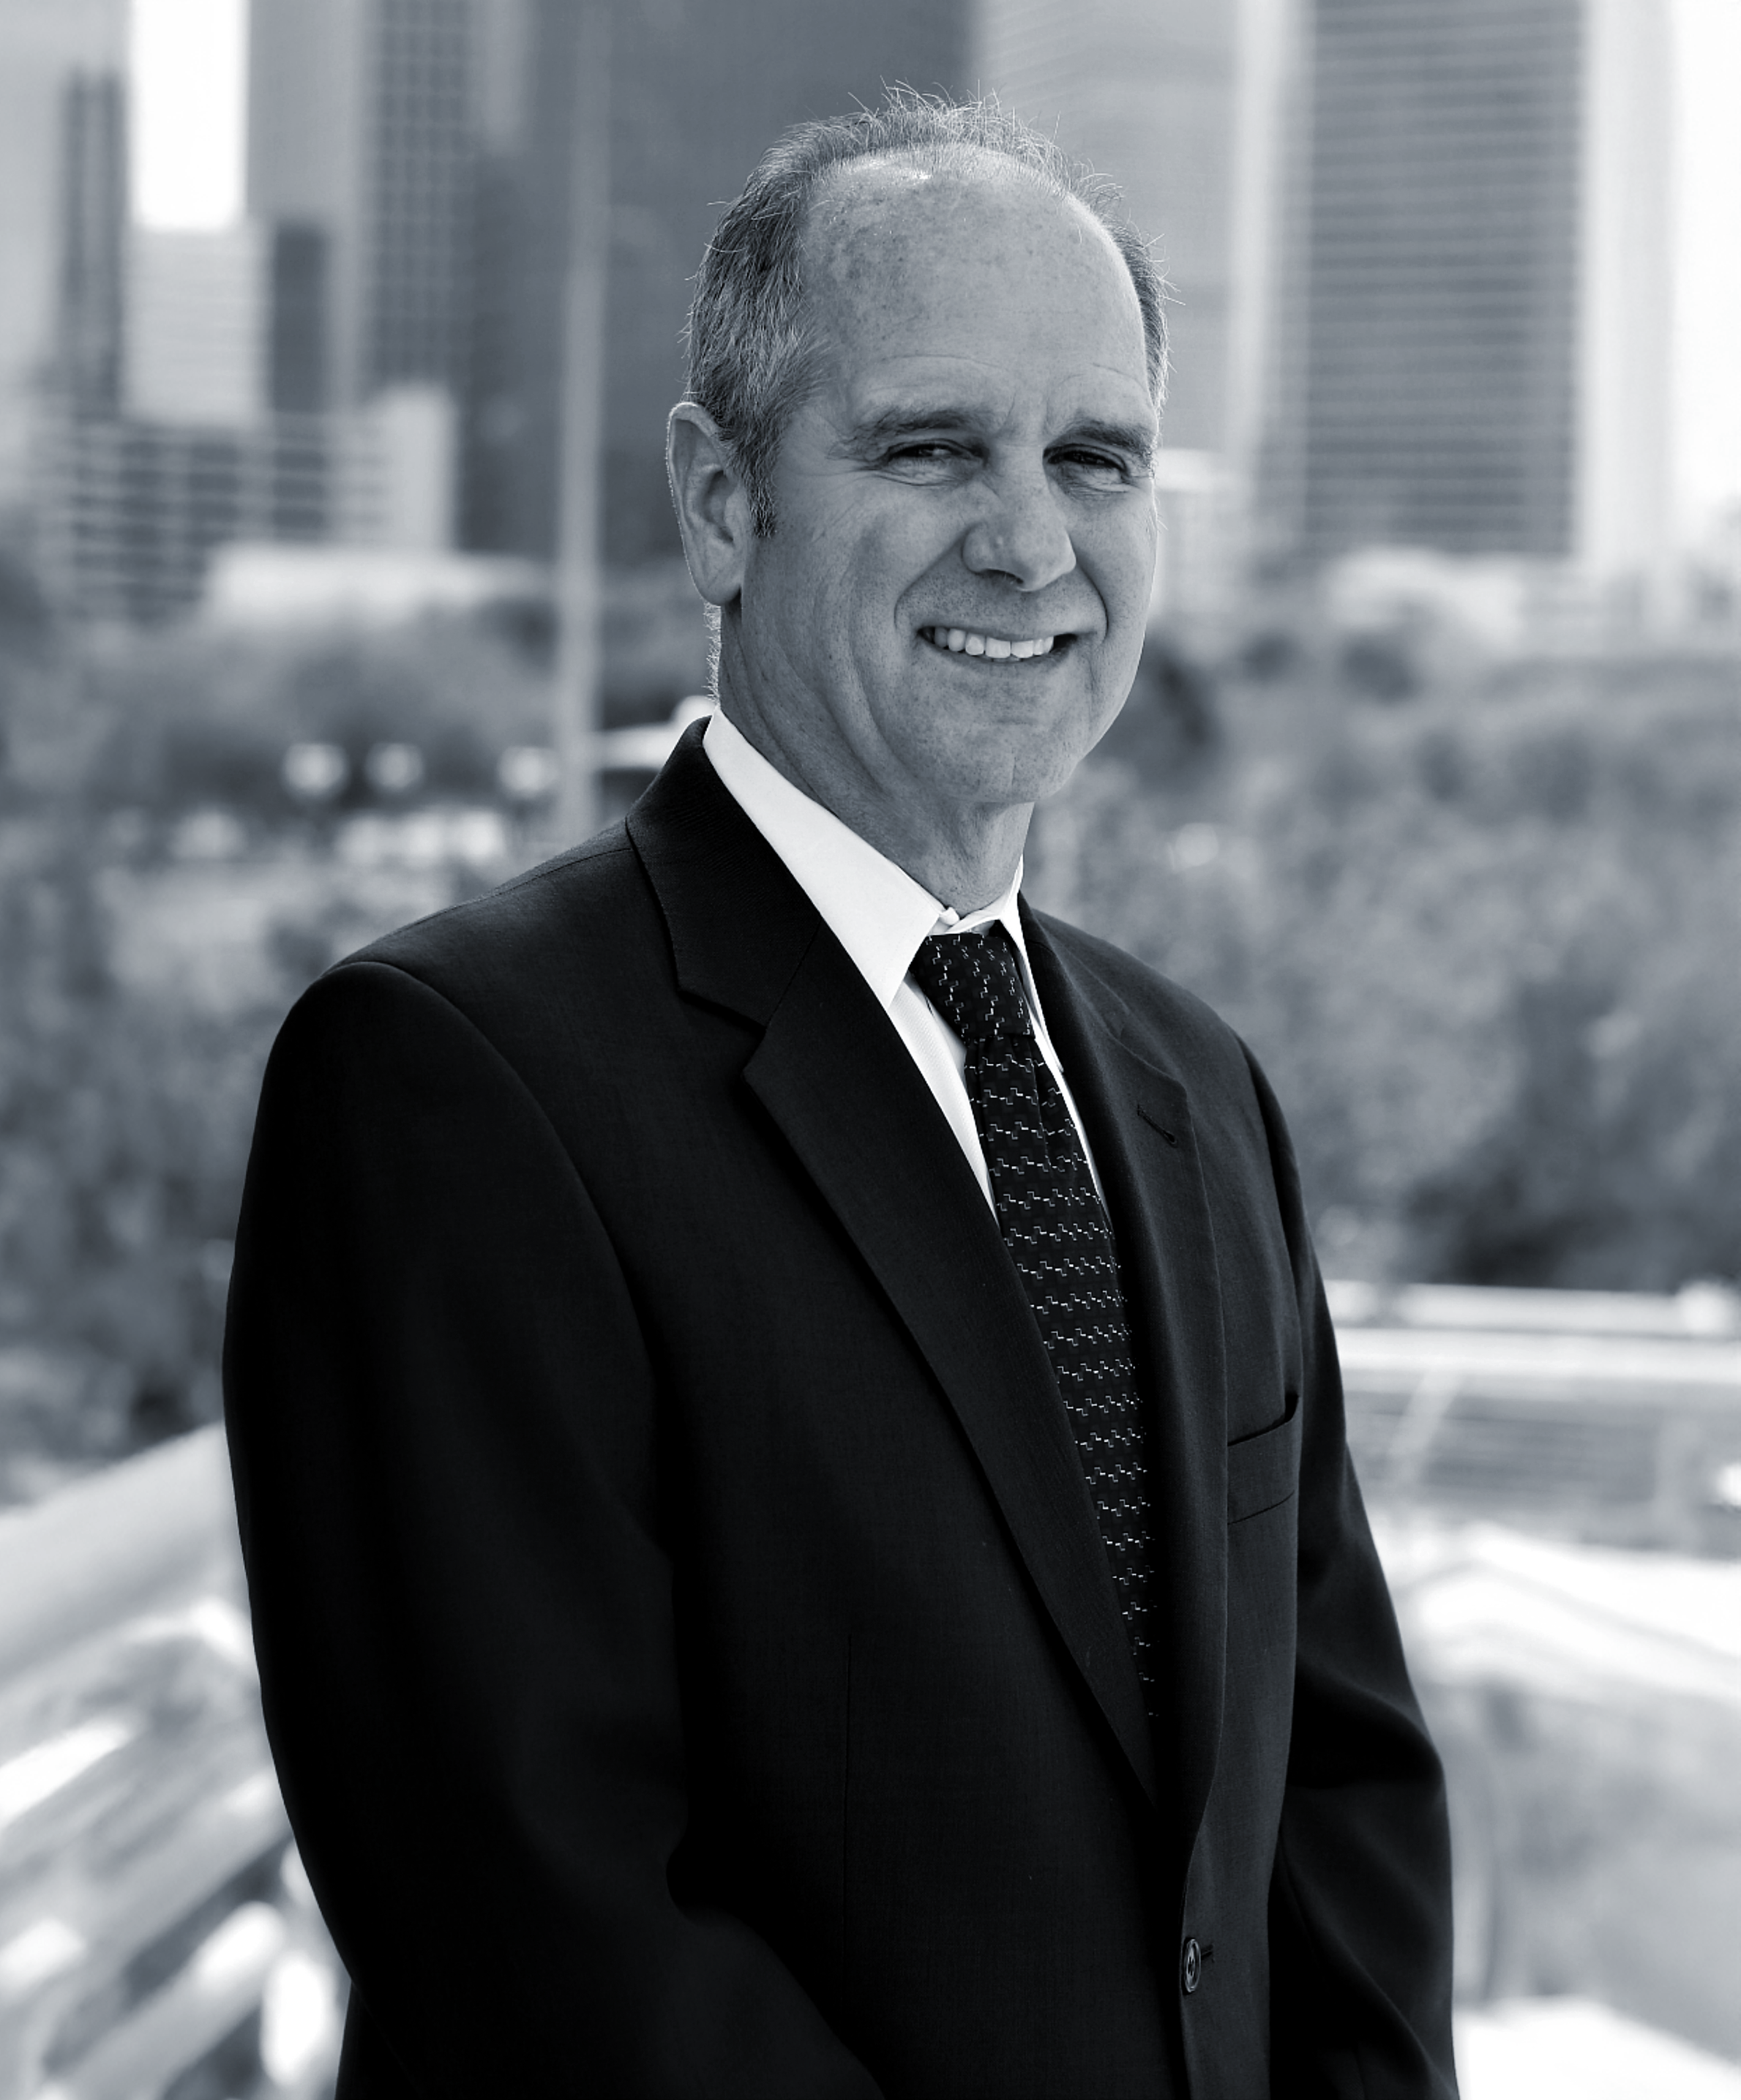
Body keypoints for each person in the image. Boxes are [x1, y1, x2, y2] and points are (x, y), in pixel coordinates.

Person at [224, 93, 1456, 2099]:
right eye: (928, 447)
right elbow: (537, 1926)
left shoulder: (1191, 1089)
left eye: (1093, 458)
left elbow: (1337, 1796)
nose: (1030, 539)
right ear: (720, 501)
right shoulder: (453, 1083)